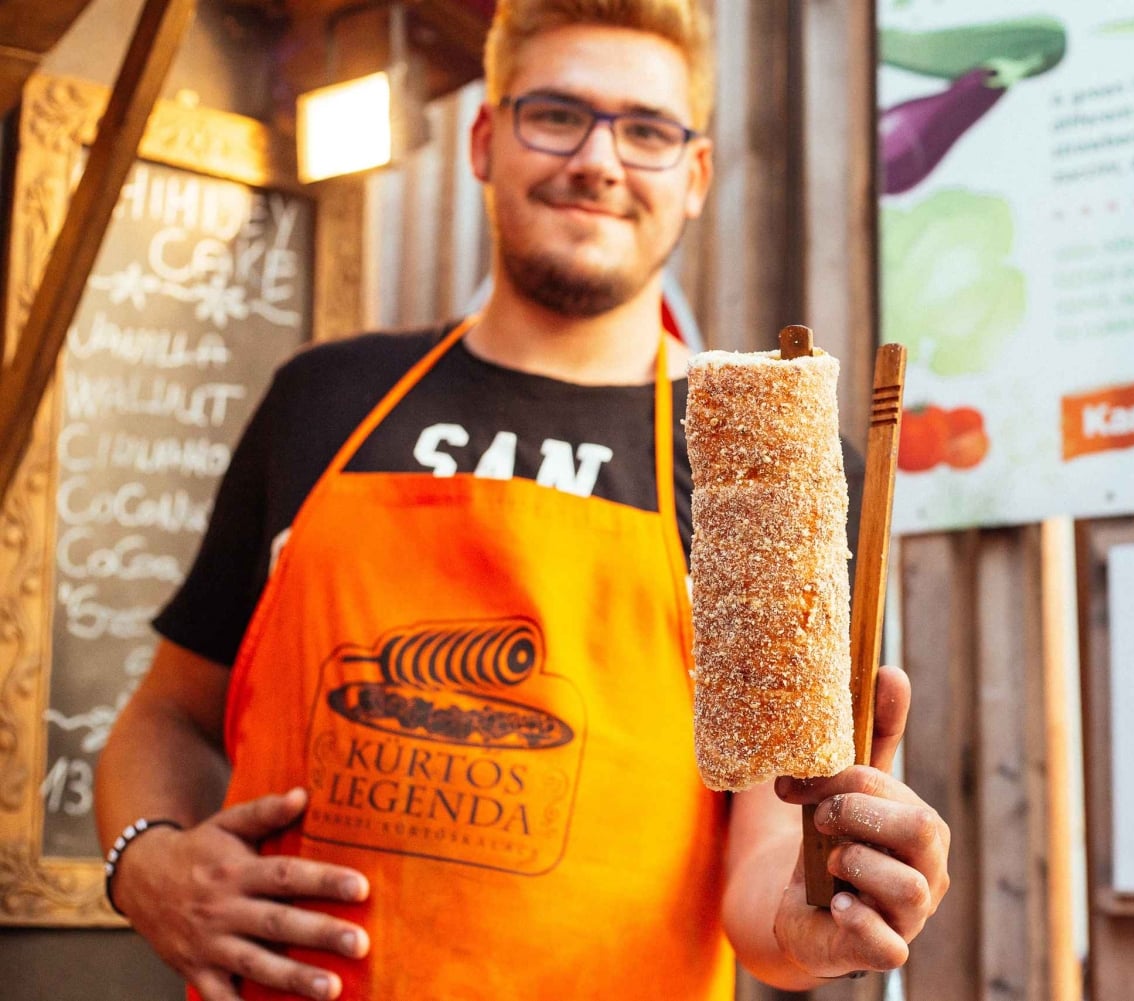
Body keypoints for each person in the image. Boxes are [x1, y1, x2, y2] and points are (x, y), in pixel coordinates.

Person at [95, 2, 951, 998]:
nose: (599, 160)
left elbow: (766, 861)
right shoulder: (325, 397)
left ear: (697, 175)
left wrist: (811, 920)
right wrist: (142, 860)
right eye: (557, 114)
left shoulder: (763, 472)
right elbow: (168, 714)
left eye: (646, 130)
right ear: (485, 139)